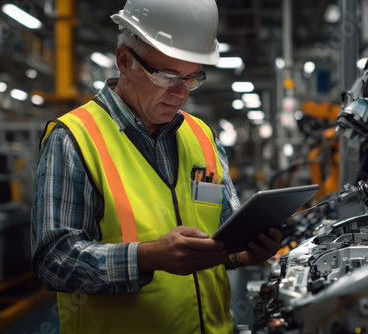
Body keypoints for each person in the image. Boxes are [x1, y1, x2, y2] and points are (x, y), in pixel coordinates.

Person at [30, 0, 282, 333]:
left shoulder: (202, 136)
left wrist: (244, 252)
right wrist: (147, 257)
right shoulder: (74, 139)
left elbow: (223, 232)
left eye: (192, 78)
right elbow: (54, 261)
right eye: (167, 76)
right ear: (124, 61)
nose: (180, 93)